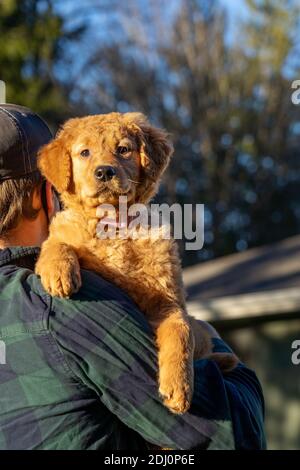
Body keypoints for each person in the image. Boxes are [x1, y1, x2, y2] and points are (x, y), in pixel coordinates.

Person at [0, 104, 266, 450]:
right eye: (84, 154)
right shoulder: (70, 305)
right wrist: (213, 342)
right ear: (49, 191)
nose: (104, 165)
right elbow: (229, 436)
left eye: (122, 150)